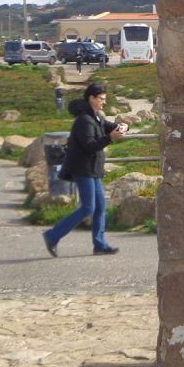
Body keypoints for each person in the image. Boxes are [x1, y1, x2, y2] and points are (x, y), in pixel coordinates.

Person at [43, 82, 128, 257]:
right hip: (83, 169)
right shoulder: (84, 120)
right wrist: (110, 138)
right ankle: (52, 235)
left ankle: (99, 244)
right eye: (101, 99)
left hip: (93, 169)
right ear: (91, 98)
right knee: (88, 207)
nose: (104, 102)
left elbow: (110, 126)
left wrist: (124, 127)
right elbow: (90, 146)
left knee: (100, 206)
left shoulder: (96, 117)